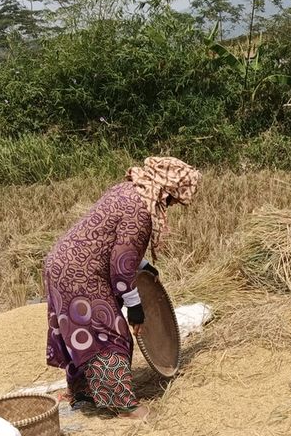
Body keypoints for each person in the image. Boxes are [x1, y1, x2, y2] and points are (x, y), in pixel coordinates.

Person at [44, 156, 201, 417]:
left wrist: (144, 266)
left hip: (62, 265)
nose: (172, 205)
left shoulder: (128, 189)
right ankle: (122, 406)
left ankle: (82, 392)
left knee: (82, 334)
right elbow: (121, 266)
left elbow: (110, 240)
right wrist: (135, 307)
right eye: (174, 200)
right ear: (169, 190)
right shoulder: (140, 210)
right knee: (110, 335)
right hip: (80, 274)